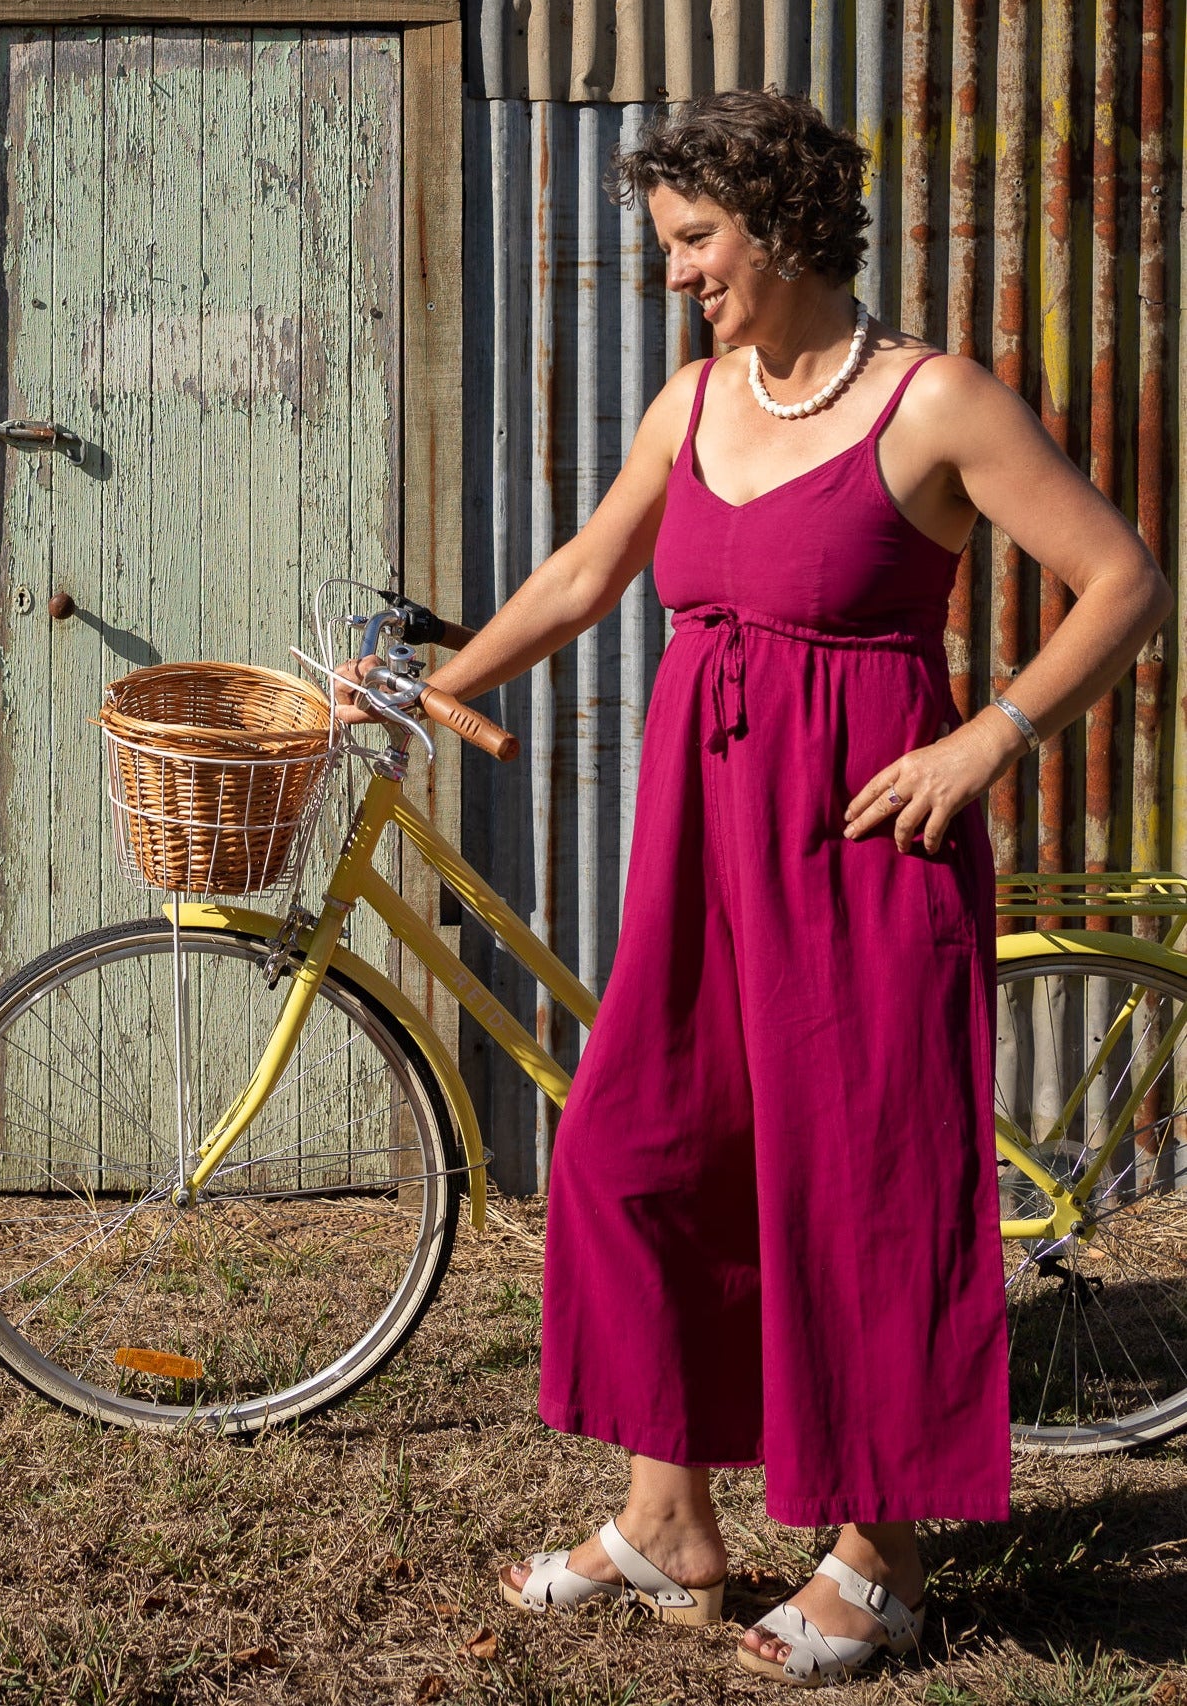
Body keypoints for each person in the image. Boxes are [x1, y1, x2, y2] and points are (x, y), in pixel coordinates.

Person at [335, 89, 1172, 1687]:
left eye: (692, 242)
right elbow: (588, 571)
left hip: (864, 844)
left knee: (856, 1188)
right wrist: (435, 680)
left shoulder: (933, 405)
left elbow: (1123, 577)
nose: (673, 275)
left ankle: (881, 1556)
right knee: (631, 1153)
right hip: (703, 844)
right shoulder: (694, 400)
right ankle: (672, 1515)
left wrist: (987, 739)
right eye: (665, 245)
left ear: (780, 228)